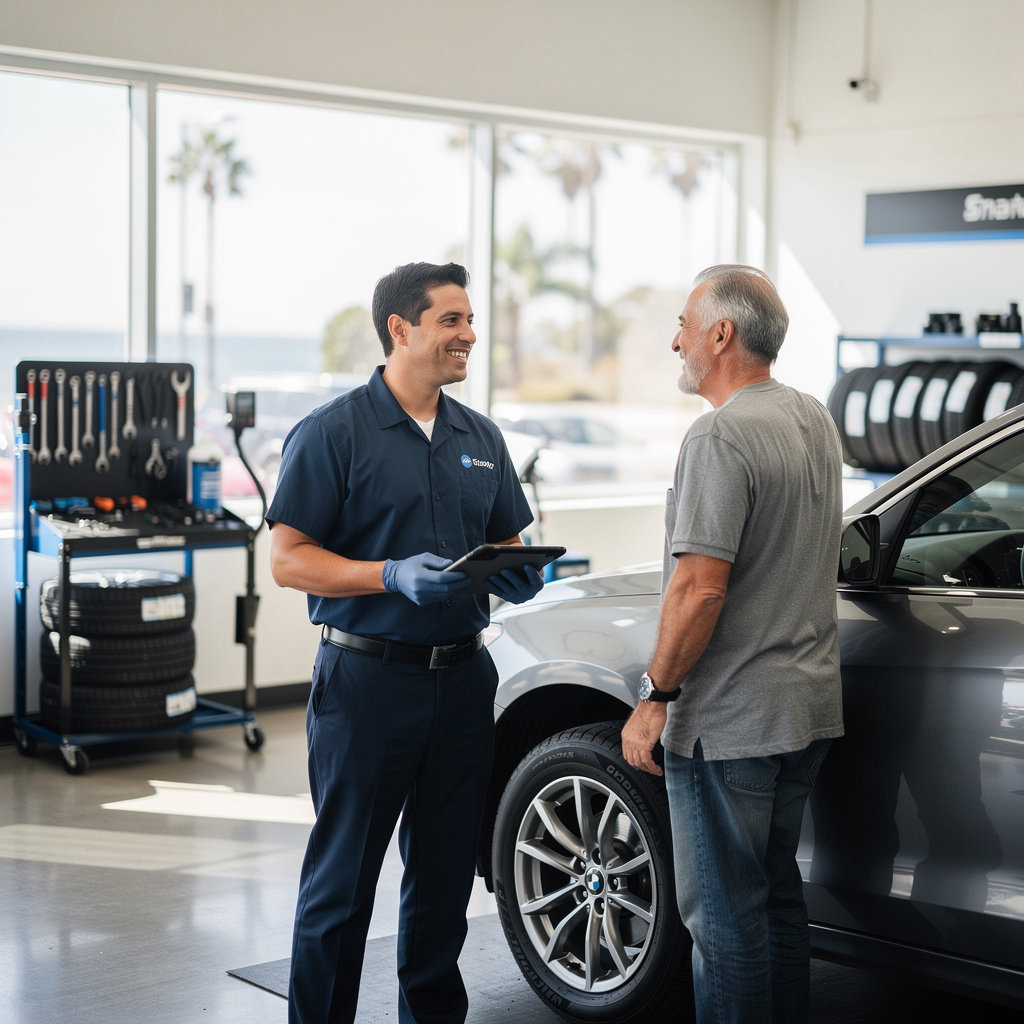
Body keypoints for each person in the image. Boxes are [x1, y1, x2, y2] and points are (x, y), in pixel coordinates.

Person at [266, 261, 544, 1024]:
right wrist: (388, 575)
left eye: (469, 320)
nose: (469, 335)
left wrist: (519, 574)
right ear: (401, 329)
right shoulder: (333, 432)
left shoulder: (479, 436)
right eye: (452, 320)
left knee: (445, 881)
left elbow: (508, 540)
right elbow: (288, 558)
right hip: (367, 685)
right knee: (342, 886)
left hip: (461, 682)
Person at [621, 264, 844, 1024]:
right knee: (777, 903)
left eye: (685, 323)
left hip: (731, 721)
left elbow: (700, 588)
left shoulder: (720, 434)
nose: (676, 339)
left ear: (721, 335)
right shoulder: (811, 417)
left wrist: (656, 698)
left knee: (723, 925)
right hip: (804, 711)